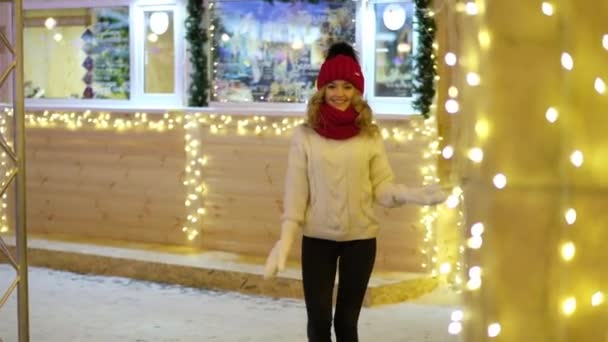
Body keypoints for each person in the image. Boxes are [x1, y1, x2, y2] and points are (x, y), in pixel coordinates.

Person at [264, 42, 447, 342]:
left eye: (348, 86)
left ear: (357, 90)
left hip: (360, 242)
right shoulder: (305, 136)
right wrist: (285, 241)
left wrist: (413, 195)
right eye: (332, 86)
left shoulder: (369, 135)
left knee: (347, 324)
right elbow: (296, 193)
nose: (340, 93)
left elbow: (383, 188)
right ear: (322, 89)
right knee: (319, 322)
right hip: (318, 241)